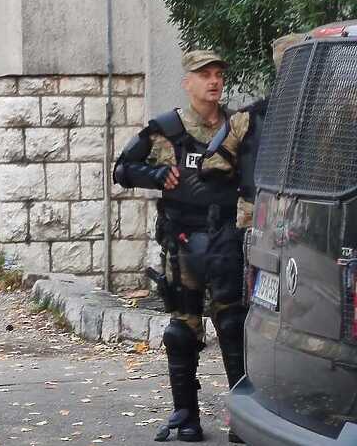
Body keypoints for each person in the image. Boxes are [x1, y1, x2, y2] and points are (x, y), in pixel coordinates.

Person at [113, 50, 244, 443]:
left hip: (226, 242)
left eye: (219, 74)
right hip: (183, 245)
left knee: (234, 327)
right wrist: (156, 174)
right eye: (205, 75)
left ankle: (244, 417)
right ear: (188, 82)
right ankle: (186, 415)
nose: (214, 81)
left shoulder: (236, 128)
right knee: (182, 332)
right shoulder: (167, 129)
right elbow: (122, 169)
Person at [201, 33, 305, 229]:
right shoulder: (329, 115)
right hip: (306, 224)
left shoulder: (246, 118)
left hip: (259, 223)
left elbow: (211, 167)